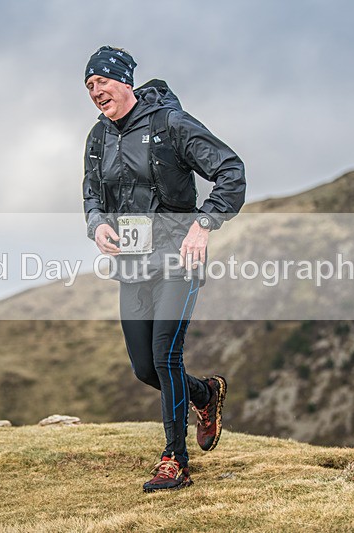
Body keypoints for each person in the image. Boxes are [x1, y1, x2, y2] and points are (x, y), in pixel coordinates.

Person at [82, 46, 245, 492]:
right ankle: (205, 394)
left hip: (179, 257)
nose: (96, 91)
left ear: (125, 82)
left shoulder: (171, 123)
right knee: (144, 368)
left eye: (102, 82)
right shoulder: (98, 137)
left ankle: (175, 460)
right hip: (133, 264)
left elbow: (231, 170)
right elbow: (92, 194)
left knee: (165, 355)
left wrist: (204, 223)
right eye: (89, 86)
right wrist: (97, 226)